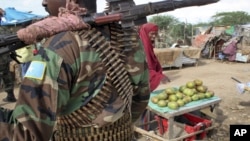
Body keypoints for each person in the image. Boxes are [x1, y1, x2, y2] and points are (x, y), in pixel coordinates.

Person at [0, 0, 150, 140]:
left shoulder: (58, 48)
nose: (44, 2)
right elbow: (140, 100)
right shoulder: (128, 36)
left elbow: (25, 133)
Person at [139, 22, 170, 92]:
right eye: (152, 33)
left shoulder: (148, 45)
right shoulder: (142, 47)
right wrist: (158, 77)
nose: (154, 36)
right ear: (146, 33)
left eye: (155, 34)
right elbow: (143, 68)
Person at [0, 9, 17, 102]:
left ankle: (10, 96)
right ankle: (11, 96)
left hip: (3, 57)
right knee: (6, 76)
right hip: (5, 57)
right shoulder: (5, 29)